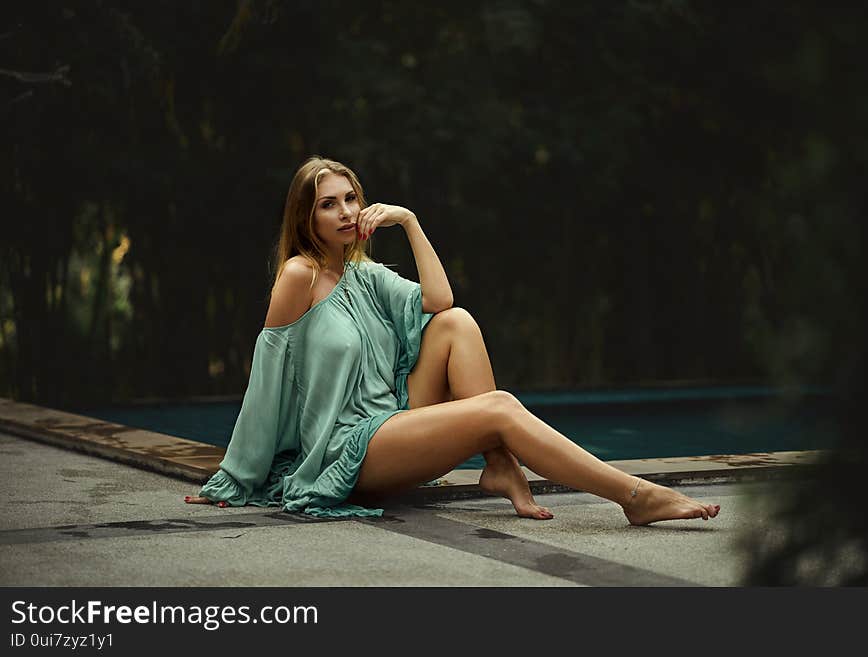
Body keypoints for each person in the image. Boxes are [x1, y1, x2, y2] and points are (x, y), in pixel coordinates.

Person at [186, 156, 720, 525]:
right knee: (500, 407)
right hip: (345, 448)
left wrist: (410, 222)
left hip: (389, 419)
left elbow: (440, 302)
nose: (347, 212)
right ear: (306, 215)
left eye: (352, 199)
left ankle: (499, 466)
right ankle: (634, 495)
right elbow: (267, 379)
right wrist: (236, 476)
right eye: (329, 204)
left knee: (457, 321)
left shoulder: (365, 273)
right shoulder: (298, 277)